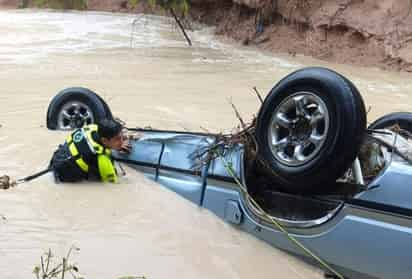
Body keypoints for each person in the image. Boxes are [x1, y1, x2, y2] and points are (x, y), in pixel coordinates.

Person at [49, 118, 131, 183]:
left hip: (57, 158)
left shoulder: (94, 128)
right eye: (117, 139)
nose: (122, 141)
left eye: (121, 137)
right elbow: (112, 185)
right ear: (105, 141)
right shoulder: (103, 161)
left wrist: (117, 145)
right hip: (62, 176)